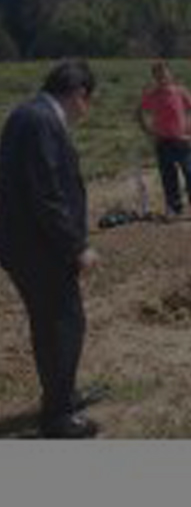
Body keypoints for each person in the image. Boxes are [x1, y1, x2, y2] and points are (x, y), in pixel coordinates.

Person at [0, 60, 101, 438]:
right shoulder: (41, 121)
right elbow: (46, 193)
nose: (84, 113)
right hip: (37, 247)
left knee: (58, 323)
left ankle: (65, 395)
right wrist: (77, 247)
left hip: (28, 243)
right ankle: (58, 417)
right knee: (62, 325)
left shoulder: (30, 115)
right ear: (79, 95)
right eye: (87, 103)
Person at [137, 61, 191, 220]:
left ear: (170, 75)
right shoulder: (152, 95)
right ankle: (174, 208)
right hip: (163, 141)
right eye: (157, 75)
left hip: (182, 141)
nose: (161, 78)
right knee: (168, 177)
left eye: (163, 74)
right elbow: (139, 112)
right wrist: (149, 132)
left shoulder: (180, 92)